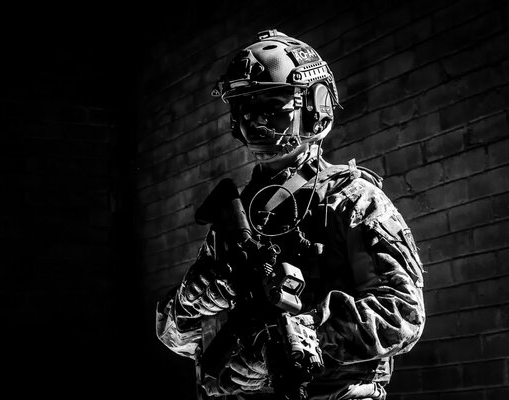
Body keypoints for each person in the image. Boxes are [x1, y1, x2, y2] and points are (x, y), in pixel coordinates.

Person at [155, 29, 425, 400]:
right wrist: (190, 302)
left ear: (315, 106)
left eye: (273, 107)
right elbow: (178, 339)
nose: (256, 122)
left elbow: (402, 314)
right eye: (245, 108)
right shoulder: (240, 215)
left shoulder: (351, 199)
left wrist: (300, 340)